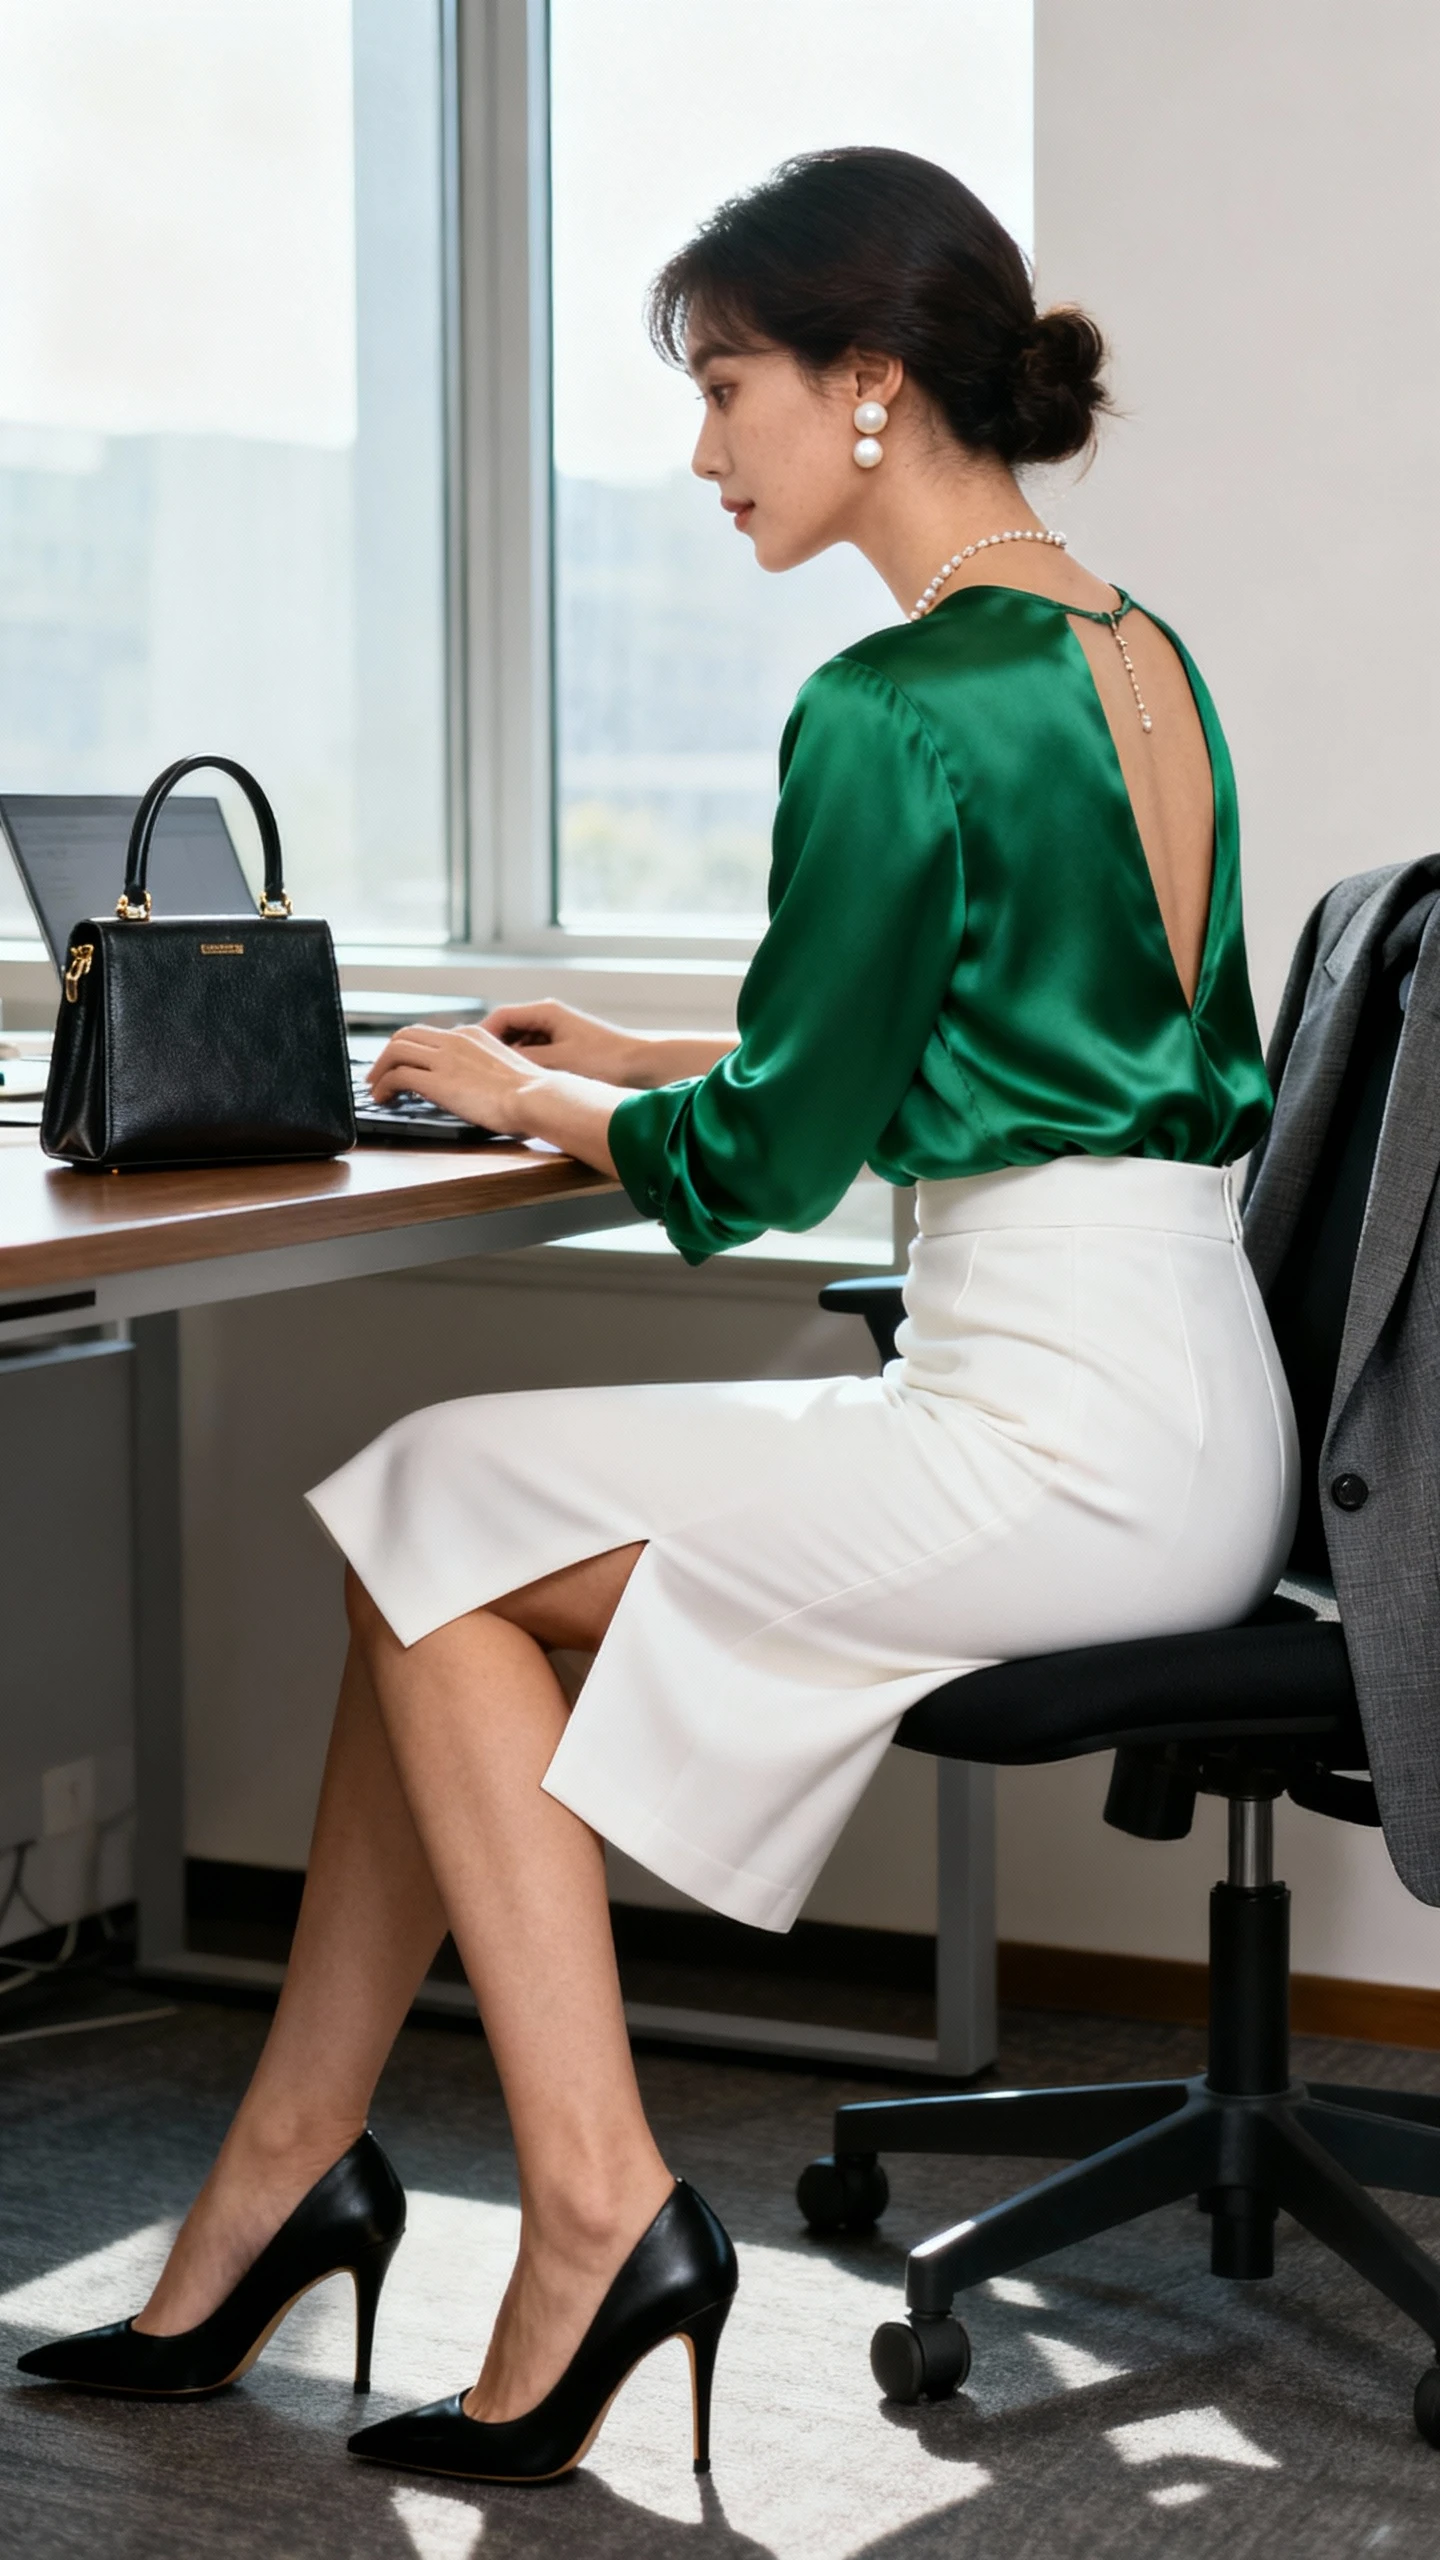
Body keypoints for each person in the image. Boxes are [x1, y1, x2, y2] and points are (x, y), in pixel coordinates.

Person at [19, 146, 1297, 2485]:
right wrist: (617, 1066)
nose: (707, 452)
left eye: (728, 386)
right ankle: (287, 2180)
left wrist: (530, 1093)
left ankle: (589, 2211)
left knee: (422, 1502)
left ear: (872, 385)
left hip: (1042, 1430)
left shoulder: (892, 700)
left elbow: (769, 1172)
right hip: (1193, 1406)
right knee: (430, 1528)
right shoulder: (1136, 650)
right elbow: (1016, 1059)